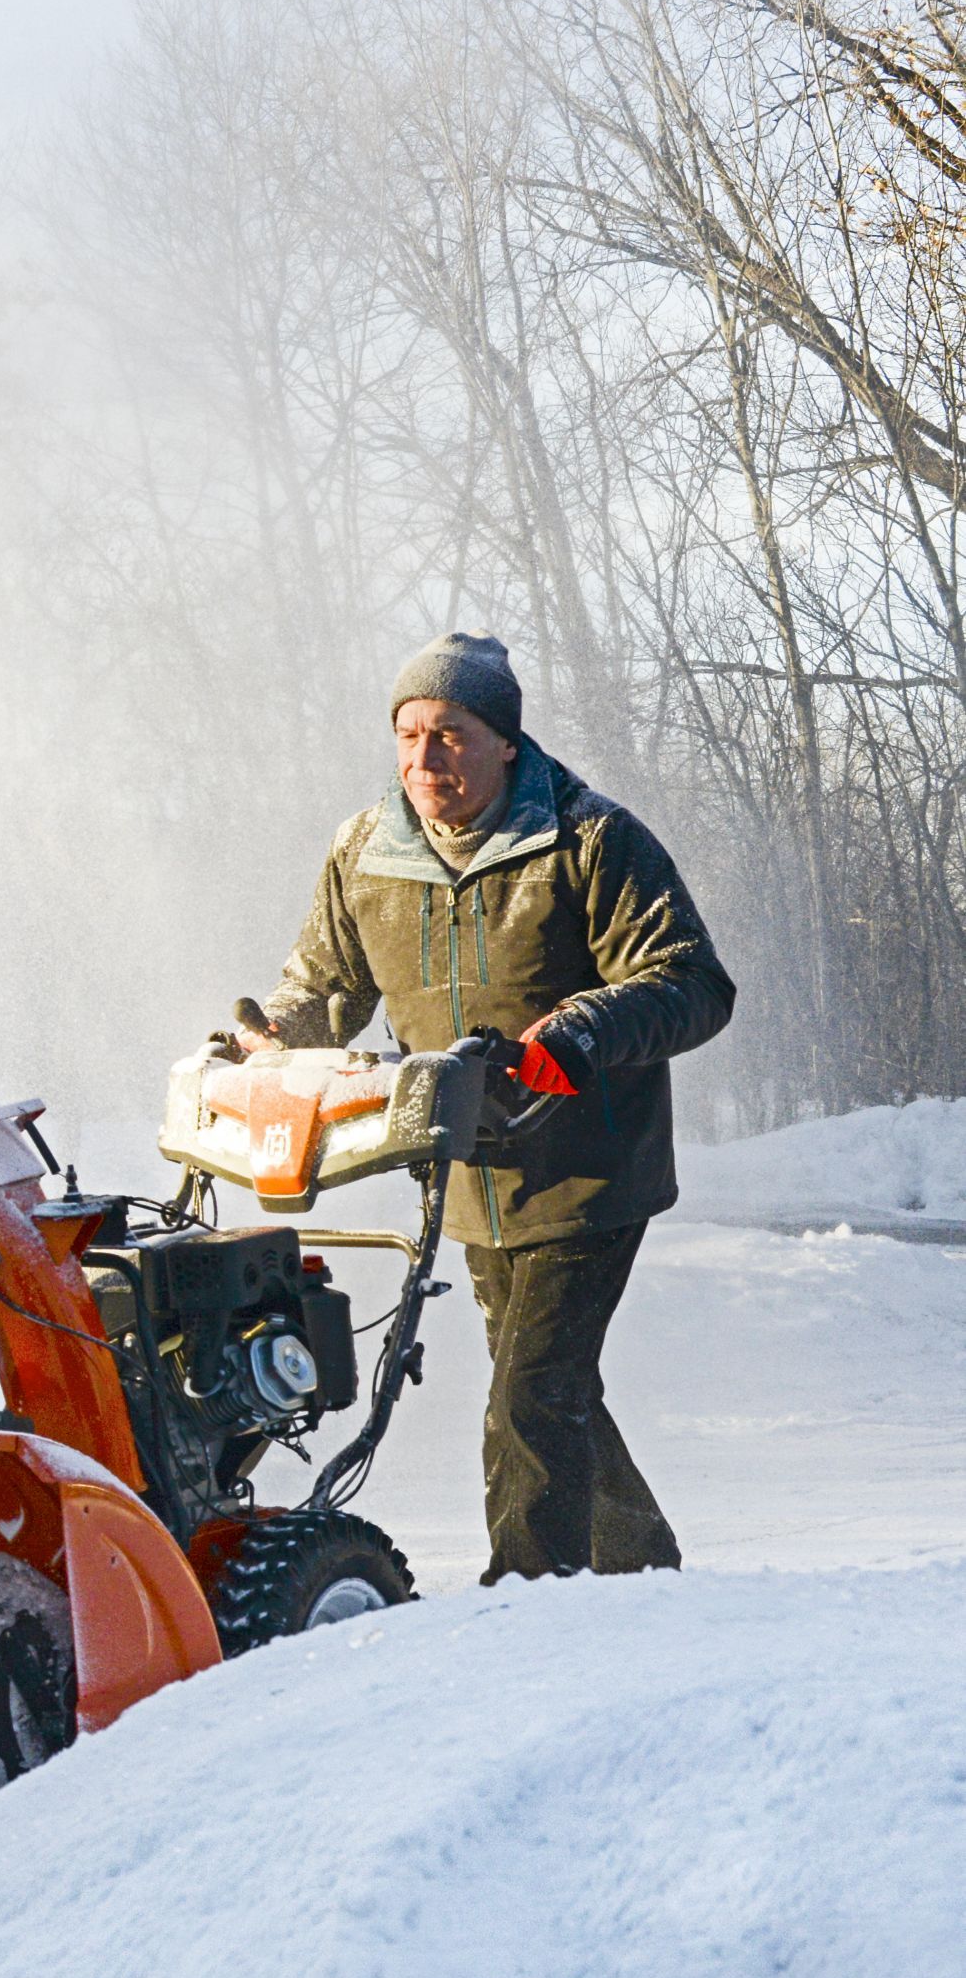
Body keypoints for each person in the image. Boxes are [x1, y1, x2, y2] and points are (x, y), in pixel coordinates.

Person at [235, 632, 734, 1581]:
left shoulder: (588, 840)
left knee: (533, 1393)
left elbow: (694, 981)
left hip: (591, 1170)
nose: (427, 762)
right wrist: (274, 1035)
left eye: (452, 735)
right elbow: (327, 988)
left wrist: (582, 1032)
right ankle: (642, 1572)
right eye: (410, 734)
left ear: (506, 740)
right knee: (547, 1388)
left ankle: (526, 1600)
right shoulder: (366, 852)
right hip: (470, 1171)